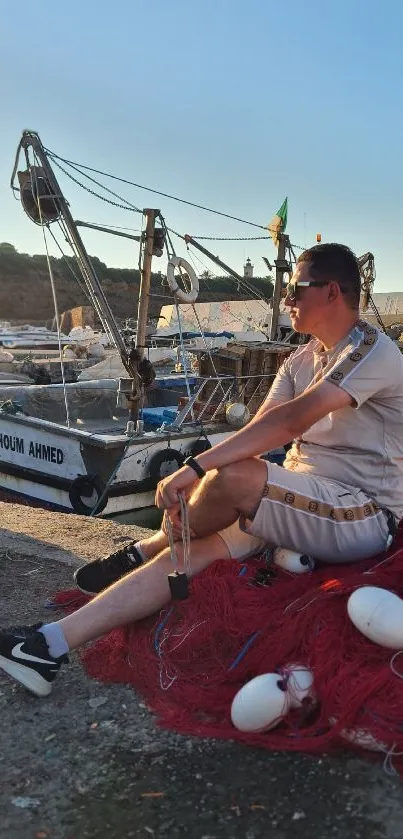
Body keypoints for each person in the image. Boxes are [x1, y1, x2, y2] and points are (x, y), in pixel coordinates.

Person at [1, 243, 403, 699]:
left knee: (233, 478)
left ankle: (149, 541)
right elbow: (262, 427)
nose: (286, 299)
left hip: (363, 512)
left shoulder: (374, 352)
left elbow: (292, 421)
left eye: (295, 288)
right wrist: (206, 475)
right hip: (301, 497)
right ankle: (47, 644)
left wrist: (194, 467)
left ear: (331, 292)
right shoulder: (300, 359)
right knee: (194, 548)